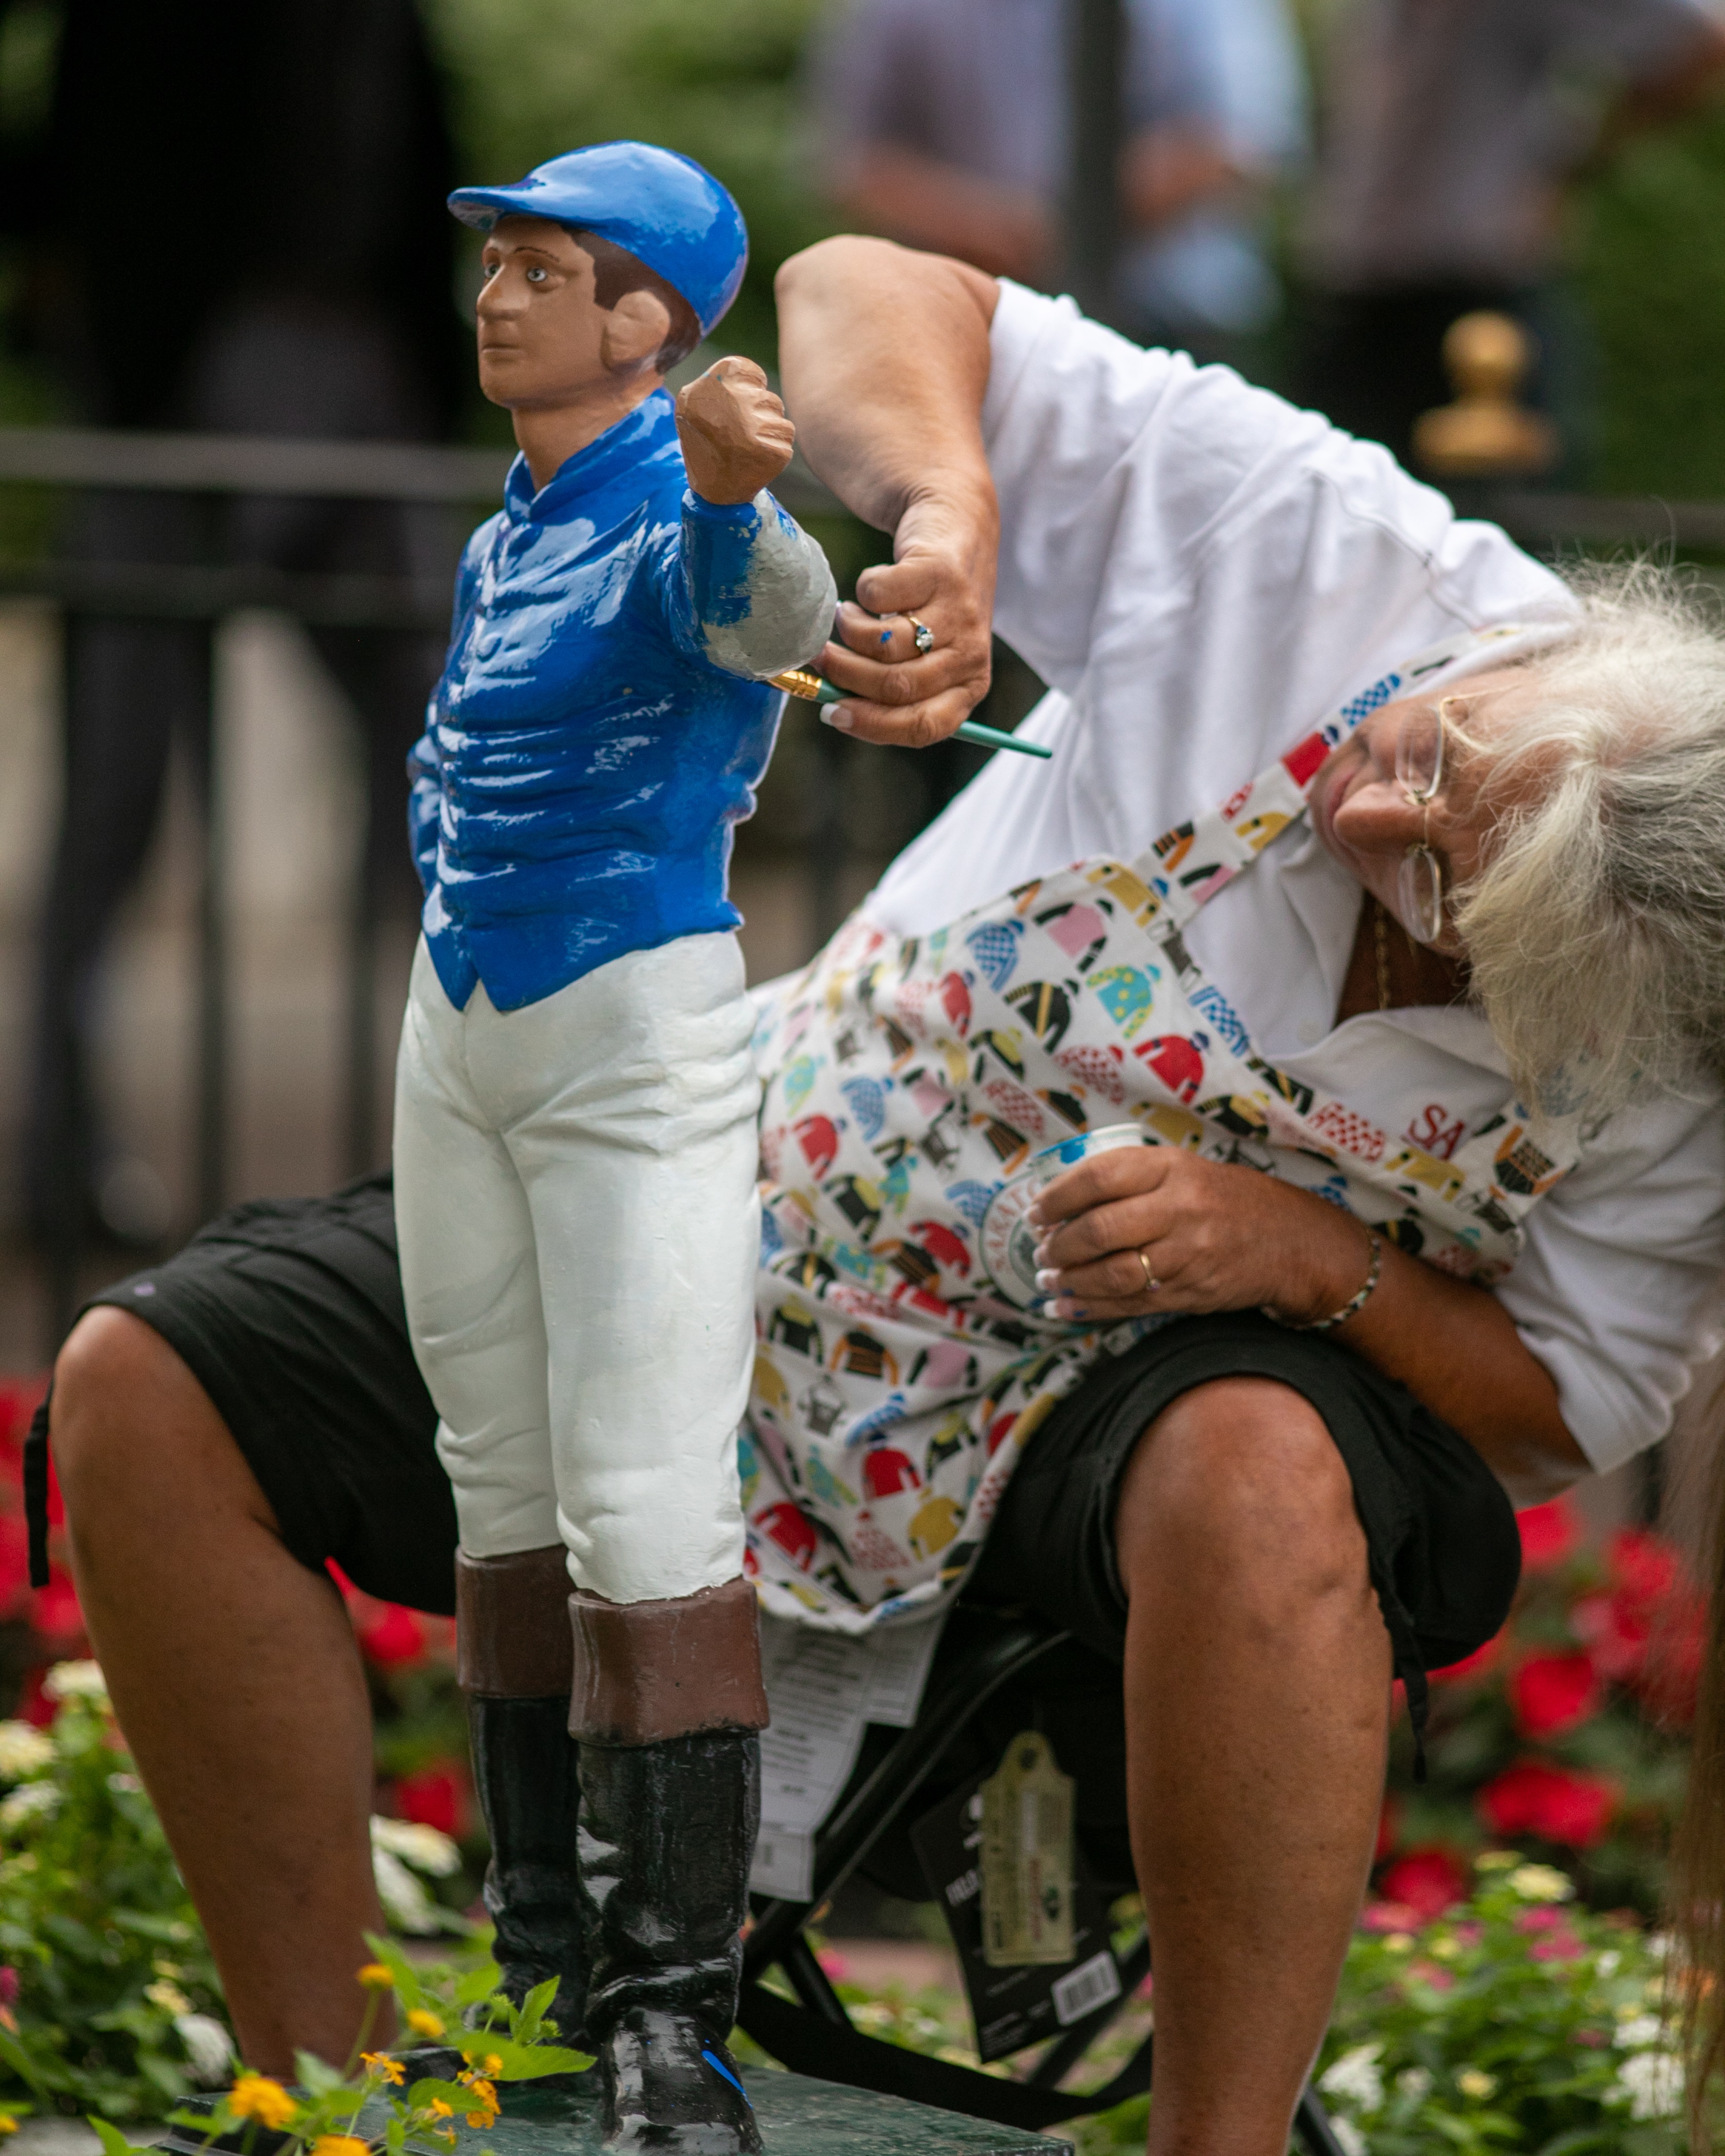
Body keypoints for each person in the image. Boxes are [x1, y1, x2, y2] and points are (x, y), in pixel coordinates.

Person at [35, 237, 1725, 2156]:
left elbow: (1559, 1403)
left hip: (1101, 1433)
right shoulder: (1341, 562)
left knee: (1257, 1463)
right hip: (749, 1198)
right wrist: (956, 510)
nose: (1368, 810)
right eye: (1434, 749)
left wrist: (1312, 1256)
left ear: (1565, 997)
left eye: (1440, 881)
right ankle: (340, 2097)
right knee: (153, 1379)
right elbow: (865, 287)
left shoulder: (1667, 1054)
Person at [394, 142, 836, 2150]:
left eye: (549, 271)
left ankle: (677, 2016)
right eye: (499, 262)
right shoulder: (519, 519)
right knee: (500, 1487)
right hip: (465, 1028)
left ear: (651, 322)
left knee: (651, 1509)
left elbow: (757, 618)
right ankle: (539, 1949)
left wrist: (745, 494)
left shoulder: (673, 493)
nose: (501, 297)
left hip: (629, 1039)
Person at [13, 0, 465, 1247]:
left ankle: (482, 1126)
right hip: (184, 378)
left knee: (455, 756)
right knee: (115, 782)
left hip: (354, 376)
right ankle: (59, 1153)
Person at [1293, 0, 1725, 467]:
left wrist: (1576, 166)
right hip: (1353, 295)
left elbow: (1699, 40)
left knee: (1496, 510)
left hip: (1477, 297)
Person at [804, 0, 1307, 360]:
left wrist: (1063, 229)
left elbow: (1238, 141)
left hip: (1175, 333)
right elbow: (850, 163)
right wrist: (986, 227)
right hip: (968, 333)